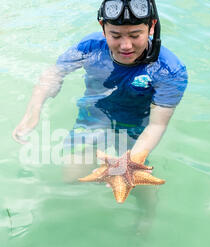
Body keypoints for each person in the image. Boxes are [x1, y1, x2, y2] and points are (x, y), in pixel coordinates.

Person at [13, 0, 188, 218]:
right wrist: (34, 110)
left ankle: (146, 218)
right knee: (71, 177)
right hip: (94, 116)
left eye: (135, 35)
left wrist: (130, 164)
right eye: (116, 35)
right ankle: (96, 201)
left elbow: (157, 125)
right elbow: (54, 73)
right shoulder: (91, 47)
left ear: (151, 27)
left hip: (136, 127)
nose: (126, 45)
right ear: (102, 27)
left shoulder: (169, 71)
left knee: (139, 184)